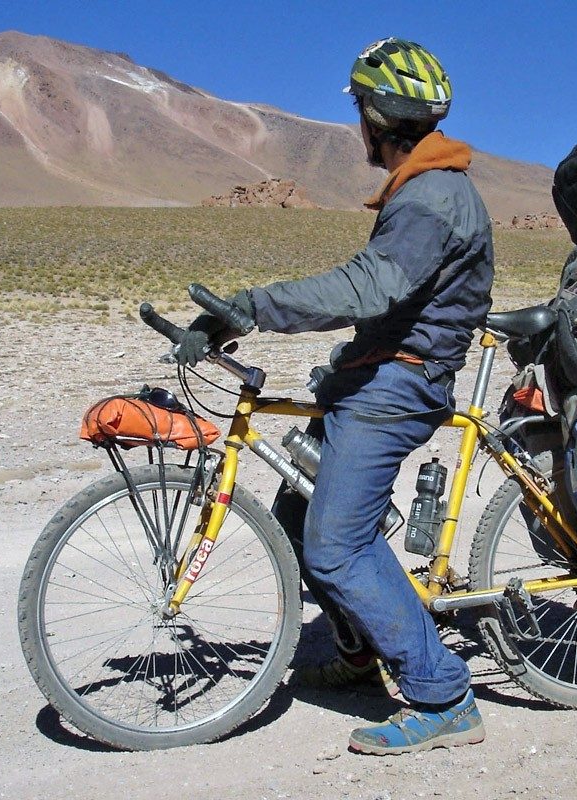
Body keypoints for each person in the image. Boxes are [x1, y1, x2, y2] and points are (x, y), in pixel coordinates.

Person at [176, 37, 494, 755]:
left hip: (400, 384)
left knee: (338, 544)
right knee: (297, 507)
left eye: (359, 108)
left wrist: (251, 307)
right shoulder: (420, 185)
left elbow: (369, 285)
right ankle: (360, 653)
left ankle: (444, 698)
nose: (357, 122)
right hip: (372, 371)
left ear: (378, 118)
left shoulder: (432, 198)